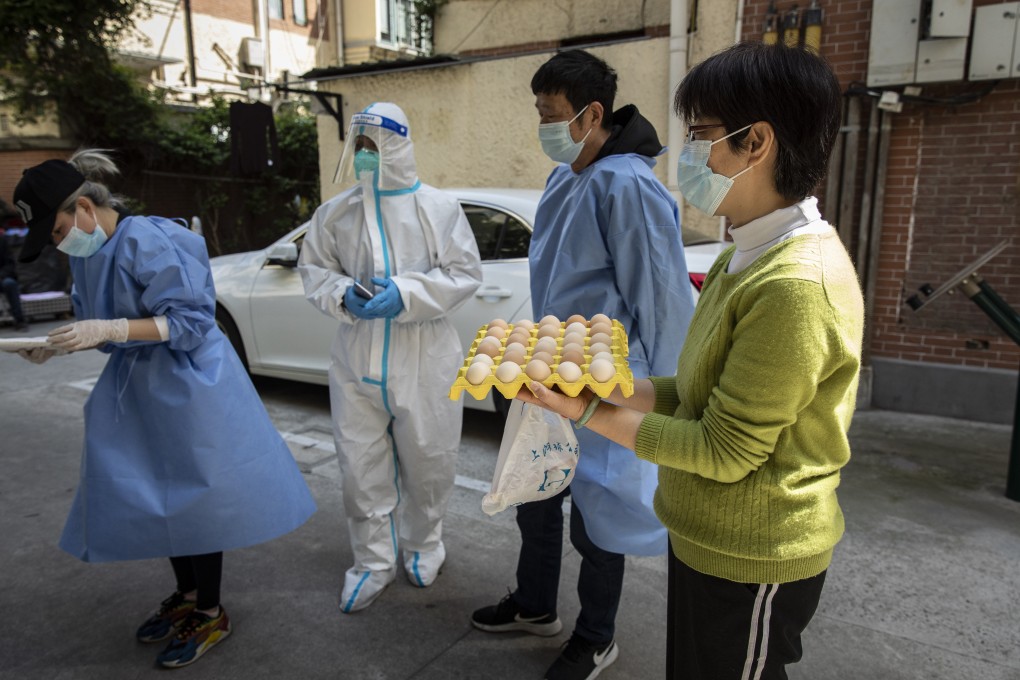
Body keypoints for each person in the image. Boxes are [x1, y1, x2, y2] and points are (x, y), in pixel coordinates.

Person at [516, 42, 865, 680]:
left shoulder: (795, 285)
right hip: (707, 535)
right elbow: (697, 388)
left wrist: (591, 409)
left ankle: (594, 635)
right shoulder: (745, 254)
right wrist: (608, 386)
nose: (687, 155)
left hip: (754, 551)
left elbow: (725, 448)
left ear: (756, 141)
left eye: (701, 135)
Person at [12, 150, 316, 669]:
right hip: (141, 384)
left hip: (190, 383)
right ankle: (185, 595)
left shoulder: (150, 240)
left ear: (85, 207)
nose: (60, 242)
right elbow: (99, 326)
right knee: (158, 495)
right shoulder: (88, 252)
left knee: (195, 497)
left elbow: (192, 323)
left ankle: (210, 611)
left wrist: (109, 329)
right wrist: (59, 343)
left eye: (59, 229)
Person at [470, 50, 695, 680]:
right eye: (538, 113)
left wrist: (671, 393)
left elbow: (662, 294)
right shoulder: (568, 174)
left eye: (551, 115)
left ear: (591, 114)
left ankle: (596, 636)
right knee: (536, 492)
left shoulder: (629, 183)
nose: (542, 126)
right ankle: (536, 605)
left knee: (599, 511)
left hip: (609, 373)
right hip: (554, 366)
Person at [298, 102, 482, 613]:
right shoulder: (335, 213)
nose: (364, 157)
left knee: (430, 461)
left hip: (424, 354)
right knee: (359, 467)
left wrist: (405, 292)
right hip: (357, 354)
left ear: (398, 146)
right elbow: (314, 270)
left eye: (372, 146)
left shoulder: (439, 209)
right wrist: (340, 294)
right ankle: (372, 562)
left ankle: (425, 545)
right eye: (358, 147)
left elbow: (464, 274)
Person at [0, 231, 28, 330]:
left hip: (2, 277)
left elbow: (10, 264)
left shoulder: (2, 240)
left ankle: (19, 320)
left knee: (10, 284)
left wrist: (1, 275)